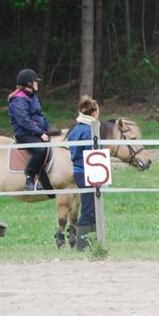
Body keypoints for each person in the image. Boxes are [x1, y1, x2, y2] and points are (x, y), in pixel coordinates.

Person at [8, 68, 52, 191]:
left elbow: (39, 116)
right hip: (24, 133)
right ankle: (29, 177)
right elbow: (24, 121)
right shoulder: (19, 100)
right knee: (39, 150)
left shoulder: (32, 97)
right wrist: (40, 133)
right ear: (28, 83)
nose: (37, 84)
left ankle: (44, 180)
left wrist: (51, 129)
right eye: (35, 81)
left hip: (35, 131)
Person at [67, 96, 100, 251]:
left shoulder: (75, 129)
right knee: (88, 210)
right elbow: (91, 155)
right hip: (88, 172)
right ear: (94, 113)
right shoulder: (90, 131)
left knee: (92, 207)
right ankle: (82, 246)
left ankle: (92, 242)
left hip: (78, 171)